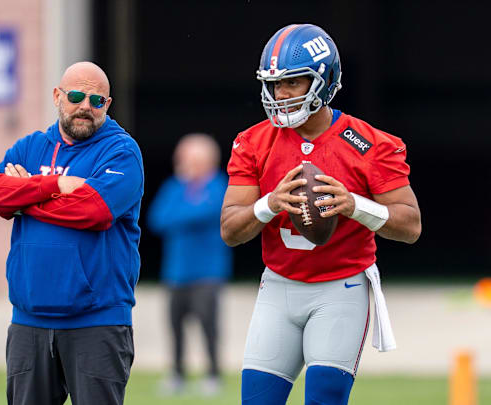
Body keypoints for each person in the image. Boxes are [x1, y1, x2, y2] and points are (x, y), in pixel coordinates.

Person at [220, 24, 421, 405]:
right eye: (274, 83)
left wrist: (355, 205)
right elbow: (230, 229)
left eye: (293, 82)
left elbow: (410, 225)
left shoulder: (367, 143)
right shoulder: (253, 142)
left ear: (324, 81)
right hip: (278, 287)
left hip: (340, 288)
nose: (280, 94)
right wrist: (270, 204)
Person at [0, 61, 144, 405]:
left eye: (96, 100)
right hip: (29, 323)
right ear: (57, 96)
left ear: (107, 105)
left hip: (97, 322)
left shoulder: (122, 151)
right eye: (76, 96)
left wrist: (25, 197)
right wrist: (54, 185)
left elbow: (93, 211)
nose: (86, 106)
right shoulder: (30, 147)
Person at [146, 134, 232, 396]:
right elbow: (157, 219)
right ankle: (177, 374)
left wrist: (182, 214)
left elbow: (212, 211)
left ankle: (213, 374)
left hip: (208, 272)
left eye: (190, 158)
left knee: (209, 325)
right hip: (176, 272)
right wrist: (189, 211)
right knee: (175, 327)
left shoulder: (219, 185)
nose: (183, 163)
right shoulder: (174, 187)